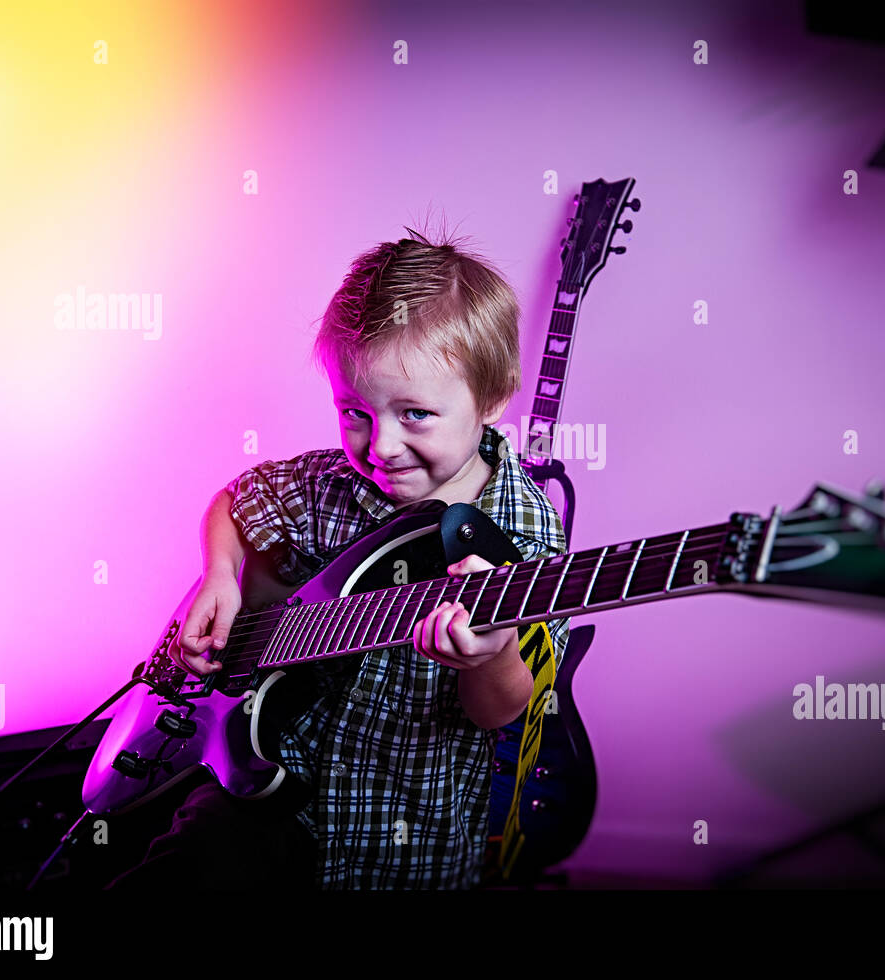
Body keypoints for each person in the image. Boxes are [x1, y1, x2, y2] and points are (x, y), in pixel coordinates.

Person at [105, 226, 569, 891]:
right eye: (354, 411)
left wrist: (490, 655)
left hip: (405, 836)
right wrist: (218, 576)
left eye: (415, 414)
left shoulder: (524, 533)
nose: (380, 446)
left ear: (492, 401)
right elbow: (235, 502)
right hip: (264, 783)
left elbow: (503, 712)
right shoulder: (333, 484)